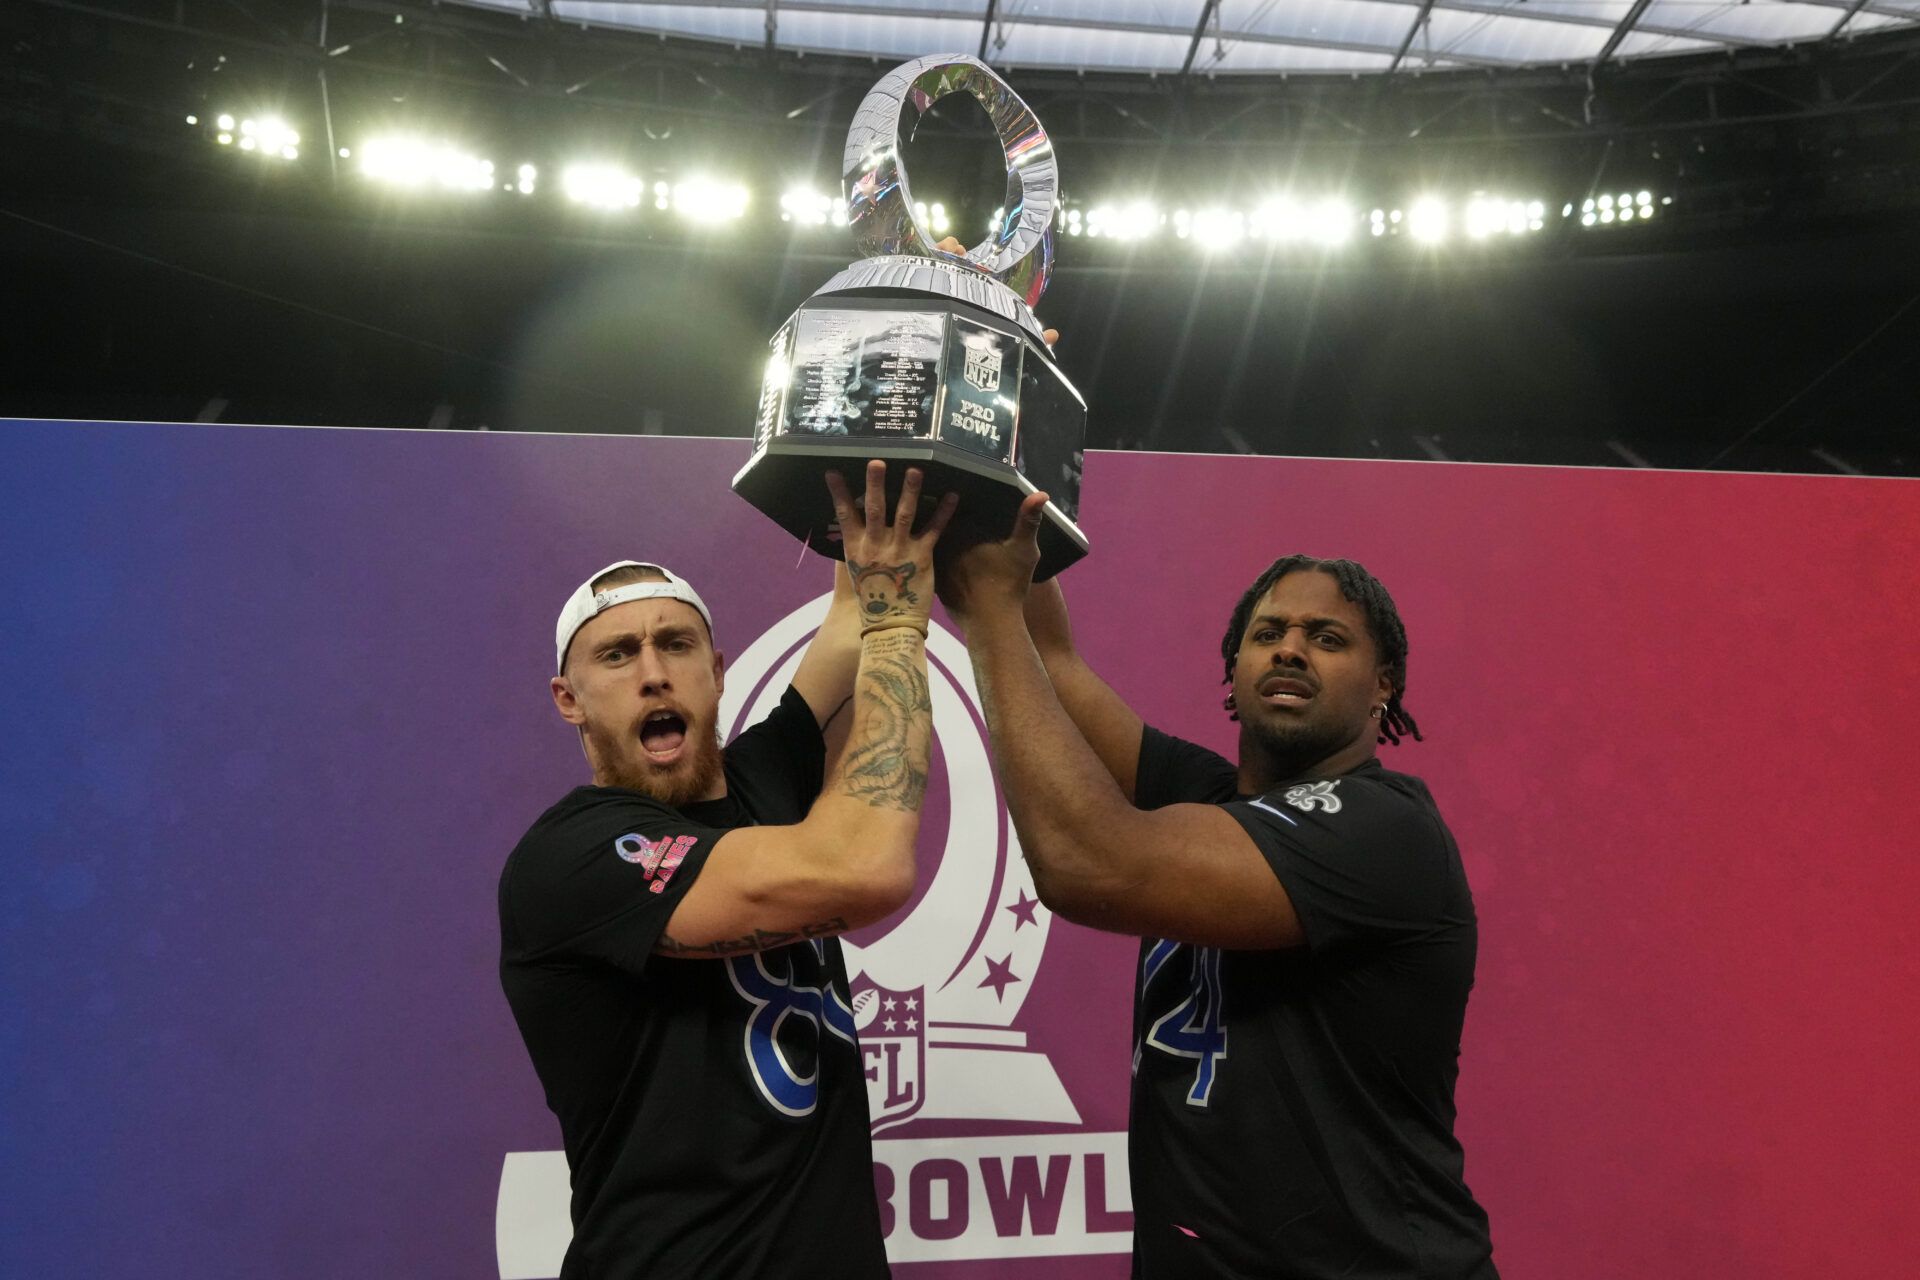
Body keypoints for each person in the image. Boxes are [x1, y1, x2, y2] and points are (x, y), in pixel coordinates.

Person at [938, 497, 1497, 1279]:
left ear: (1383, 686)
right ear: (1234, 672)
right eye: (1268, 635)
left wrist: (987, 606)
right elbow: (1052, 663)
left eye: (1327, 639)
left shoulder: (1386, 830)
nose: (1291, 650)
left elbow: (1090, 864)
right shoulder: (1207, 801)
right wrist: (997, 484)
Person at [498, 461, 956, 1278]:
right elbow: (865, 869)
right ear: (569, 699)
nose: (652, 671)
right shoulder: (569, 860)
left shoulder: (762, 777)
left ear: (717, 669)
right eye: (616, 655)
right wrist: (899, 626)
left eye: (675, 644)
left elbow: (857, 594)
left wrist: (956, 398)